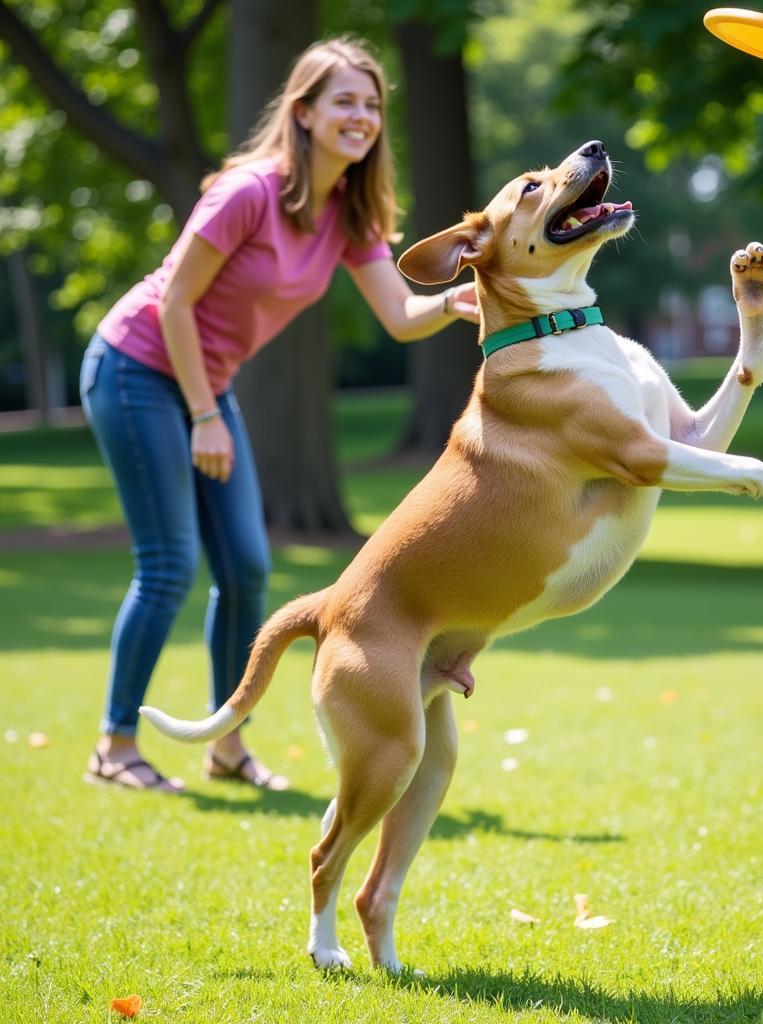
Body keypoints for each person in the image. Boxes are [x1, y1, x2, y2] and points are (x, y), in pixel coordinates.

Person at [79, 36, 478, 793]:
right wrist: (204, 413)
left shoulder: (350, 214)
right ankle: (114, 743)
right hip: (136, 367)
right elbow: (175, 302)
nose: (361, 116)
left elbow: (398, 315)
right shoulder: (249, 192)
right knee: (169, 565)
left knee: (249, 568)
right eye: (344, 101)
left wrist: (452, 303)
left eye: (372, 104)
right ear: (303, 110)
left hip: (205, 384)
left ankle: (226, 745)